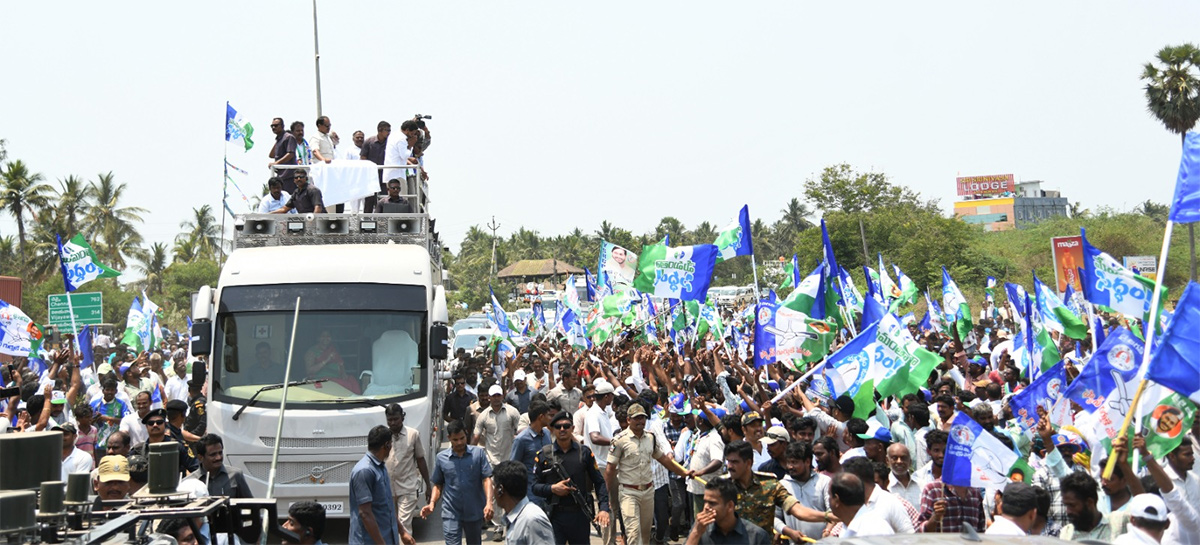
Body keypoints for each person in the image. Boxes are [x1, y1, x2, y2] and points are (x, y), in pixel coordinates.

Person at [604, 402, 693, 545]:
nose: (640, 421)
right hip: (628, 492)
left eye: (642, 418)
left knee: (645, 536)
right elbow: (610, 469)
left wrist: (684, 472)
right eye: (636, 418)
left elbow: (664, 459)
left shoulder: (651, 438)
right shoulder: (619, 441)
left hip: (648, 492)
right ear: (628, 420)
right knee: (633, 534)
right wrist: (606, 495)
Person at [717, 439, 831, 540]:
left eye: (735, 462)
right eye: (728, 461)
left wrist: (829, 516)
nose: (730, 466)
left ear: (748, 463)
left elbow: (798, 510)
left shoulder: (770, 485)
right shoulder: (720, 487)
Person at [532, 410, 611, 545]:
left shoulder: (584, 452)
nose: (562, 429)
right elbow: (534, 486)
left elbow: (599, 482)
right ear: (552, 429)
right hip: (554, 515)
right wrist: (552, 488)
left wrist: (604, 508)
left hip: (579, 514)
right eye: (558, 426)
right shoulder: (544, 455)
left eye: (566, 426)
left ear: (573, 428)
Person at [422, 420, 495, 545]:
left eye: (462, 438)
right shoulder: (441, 458)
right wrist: (432, 503)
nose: (460, 442)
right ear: (449, 438)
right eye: (455, 440)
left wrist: (489, 503)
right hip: (451, 512)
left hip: (474, 512)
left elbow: (486, 479)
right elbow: (438, 484)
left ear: (466, 434)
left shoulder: (478, 454)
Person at [189, 433, 259, 543]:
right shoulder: (191, 483)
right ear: (200, 457)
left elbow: (251, 507)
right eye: (213, 455)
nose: (218, 457)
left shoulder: (235, 475)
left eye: (220, 453)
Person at [349, 425, 414, 545]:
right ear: (387, 445)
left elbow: (388, 506)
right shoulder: (364, 471)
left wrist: (402, 532)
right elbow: (365, 513)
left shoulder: (380, 467)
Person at [475, 383, 520, 537]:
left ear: (502, 396)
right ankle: (498, 526)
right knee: (494, 493)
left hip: (509, 459)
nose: (495, 398)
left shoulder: (512, 412)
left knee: (510, 491)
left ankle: (512, 523)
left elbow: (519, 432)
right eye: (493, 396)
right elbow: (476, 435)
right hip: (490, 460)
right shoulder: (483, 416)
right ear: (489, 397)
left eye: (498, 395)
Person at [384, 403, 431, 540]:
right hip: (387, 489)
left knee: (403, 525)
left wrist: (428, 485)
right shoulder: (383, 436)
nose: (392, 423)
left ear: (402, 418)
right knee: (390, 524)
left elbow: (420, 460)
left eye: (395, 419)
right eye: (389, 420)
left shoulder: (413, 435)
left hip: (407, 488)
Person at [685, 478, 771, 545]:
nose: (706, 507)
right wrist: (696, 533)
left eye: (712, 503)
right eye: (705, 502)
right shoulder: (700, 530)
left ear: (730, 506)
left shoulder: (756, 536)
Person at [775, 440, 830, 542]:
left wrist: (827, 531)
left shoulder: (824, 482)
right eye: (788, 462)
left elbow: (832, 512)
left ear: (808, 462)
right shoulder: (781, 485)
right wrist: (788, 531)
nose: (790, 467)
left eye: (794, 462)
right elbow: (774, 517)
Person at [493, 460, 554, 545]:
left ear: (500, 489)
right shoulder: (514, 518)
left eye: (494, 486)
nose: (493, 491)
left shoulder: (533, 520)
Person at [1059, 470, 1131, 541]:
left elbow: (1141, 503)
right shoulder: (1066, 534)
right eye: (1066, 505)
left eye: (1072, 505)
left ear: (1090, 502)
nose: (1068, 511)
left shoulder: (1118, 523)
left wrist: (1124, 465)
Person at [128, 408, 199, 475]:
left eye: (159, 422)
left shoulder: (177, 447)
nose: (155, 425)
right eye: (151, 423)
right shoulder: (138, 450)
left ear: (165, 425)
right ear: (146, 426)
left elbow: (196, 468)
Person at [509, 399, 553, 508]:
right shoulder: (521, 439)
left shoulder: (547, 434)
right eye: (548, 415)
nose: (550, 418)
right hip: (530, 494)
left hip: (547, 491)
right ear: (541, 417)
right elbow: (514, 467)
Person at [830, 472, 894, 537]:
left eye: (830, 496)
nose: (828, 500)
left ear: (837, 500)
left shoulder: (874, 529)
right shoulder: (846, 527)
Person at [89, 378, 129, 452]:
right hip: (98, 445)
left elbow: (126, 421)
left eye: (112, 390)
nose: (109, 392)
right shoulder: (94, 404)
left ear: (116, 391)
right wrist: (94, 419)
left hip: (116, 446)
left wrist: (107, 418)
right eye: (107, 390)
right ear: (103, 391)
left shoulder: (121, 404)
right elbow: (87, 422)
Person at [886, 443, 925, 509]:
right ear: (887, 460)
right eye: (894, 458)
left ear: (910, 461)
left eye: (903, 458)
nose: (899, 461)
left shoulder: (922, 485)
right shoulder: (884, 487)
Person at [443, 372, 477, 443]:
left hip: (469, 428)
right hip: (455, 428)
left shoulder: (472, 397)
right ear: (455, 385)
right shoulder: (450, 398)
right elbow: (445, 415)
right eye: (458, 383)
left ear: (465, 383)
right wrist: (455, 422)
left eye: (462, 383)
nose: (460, 385)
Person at [269, 117, 299, 192]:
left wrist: (276, 163)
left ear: (282, 126)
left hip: (289, 175)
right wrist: (278, 140)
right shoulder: (280, 138)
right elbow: (271, 155)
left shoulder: (288, 137)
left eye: (276, 125)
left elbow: (290, 154)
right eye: (272, 126)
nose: (273, 127)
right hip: (281, 176)